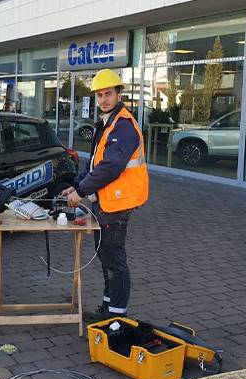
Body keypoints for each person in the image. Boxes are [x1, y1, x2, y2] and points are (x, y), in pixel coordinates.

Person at [62, 69, 149, 322]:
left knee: (114, 258)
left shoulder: (123, 126)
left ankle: (117, 319)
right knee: (106, 256)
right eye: (99, 95)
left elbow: (111, 166)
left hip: (119, 203)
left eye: (108, 94)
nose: (103, 100)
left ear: (119, 93)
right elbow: (95, 164)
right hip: (107, 202)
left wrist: (81, 192)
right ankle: (108, 309)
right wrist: (76, 185)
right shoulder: (107, 123)